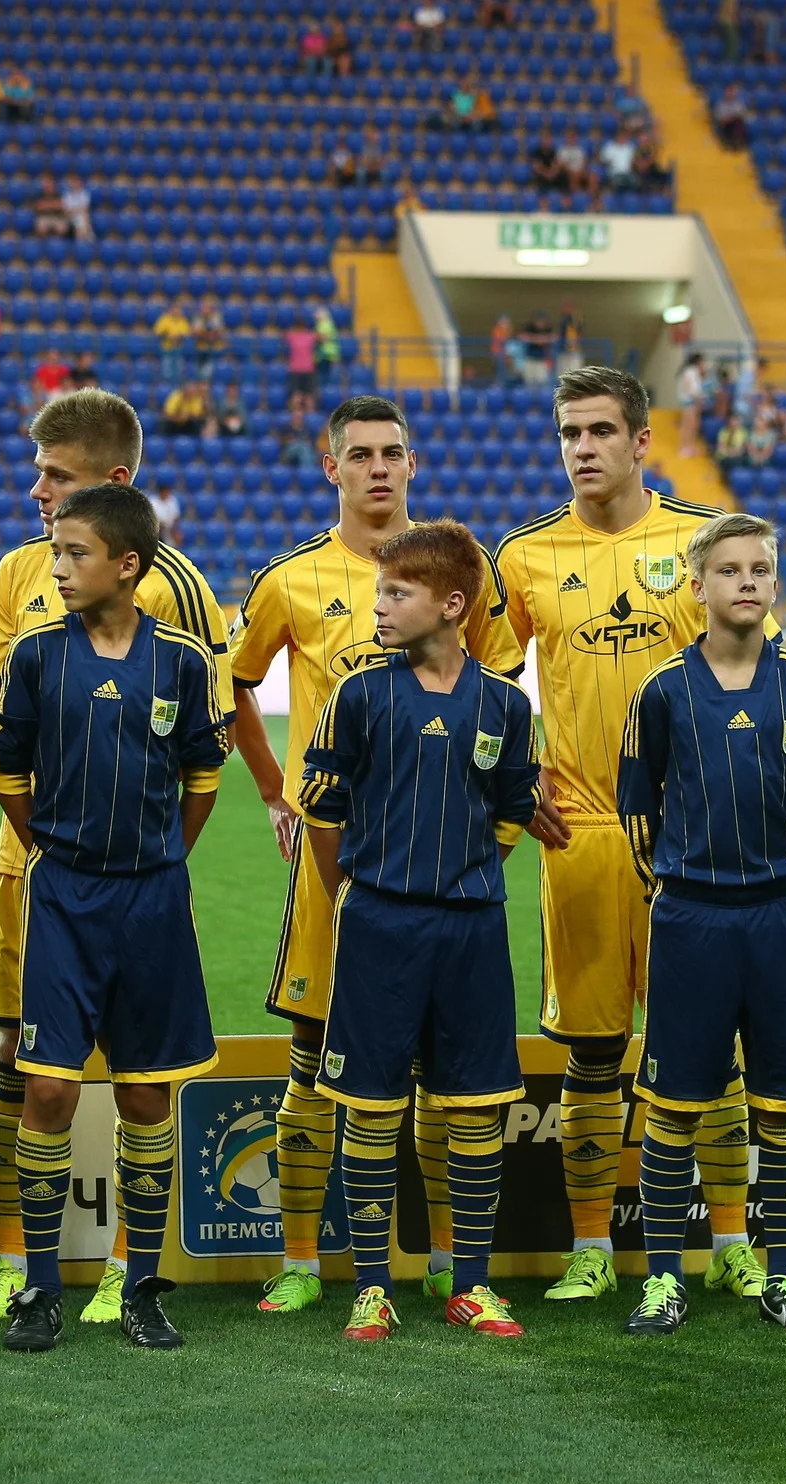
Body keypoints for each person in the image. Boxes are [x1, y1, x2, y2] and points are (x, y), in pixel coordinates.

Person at [0, 389, 231, 1327]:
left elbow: (202, 755)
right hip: (49, 876)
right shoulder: (24, 605)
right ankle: (21, 1268)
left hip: (144, 883)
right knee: (29, 1065)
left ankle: (130, 1276)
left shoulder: (179, 616)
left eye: (55, 480)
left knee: (144, 1090)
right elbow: (1, 731)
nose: (37, 496)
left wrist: (161, 854)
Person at [229, 395, 524, 1313]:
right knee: (313, 1056)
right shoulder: (290, 577)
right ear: (332, 468)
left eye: (392, 452)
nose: (378, 467)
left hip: (436, 871)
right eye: (359, 454)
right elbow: (232, 683)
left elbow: (497, 691)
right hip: (342, 864)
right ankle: (300, 1260)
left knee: (443, 1072)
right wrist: (276, 789)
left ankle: (446, 1261)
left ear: (412, 462)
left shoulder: (459, 569)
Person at [493, 365, 765, 1306]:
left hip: (693, 839)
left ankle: (730, 1241)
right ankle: (590, 1247)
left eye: (601, 430)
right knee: (593, 1053)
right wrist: (515, 776)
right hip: (581, 833)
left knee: (709, 1049)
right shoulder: (525, 554)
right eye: (569, 432)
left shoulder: (701, 542)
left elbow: (752, 666)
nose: (582, 448)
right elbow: (487, 679)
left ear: (641, 440)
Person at [299, 521, 539, 1344]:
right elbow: (322, 810)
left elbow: (512, 809)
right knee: (371, 1107)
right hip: (378, 922)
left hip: (471, 928)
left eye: (396, 593)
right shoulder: (358, 694)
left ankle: (469, 1283)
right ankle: (372, 1286)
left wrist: (462, 874)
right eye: (378, 591)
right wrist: (355, 893)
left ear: (451, 604)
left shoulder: (505, 704)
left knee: (473, 1108)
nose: (379, 606)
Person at [615, 513, 786, 1338]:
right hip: (692, 917)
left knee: (785, 1106)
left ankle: (785, 1278)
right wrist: (686, 888)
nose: (746, 581)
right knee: (674, 1103)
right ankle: (661, 1280)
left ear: (775, 582)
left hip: (785, 915)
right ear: (697, 585)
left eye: (759, 569)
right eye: (729, 569)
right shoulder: (661, 690)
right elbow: (636, 812)